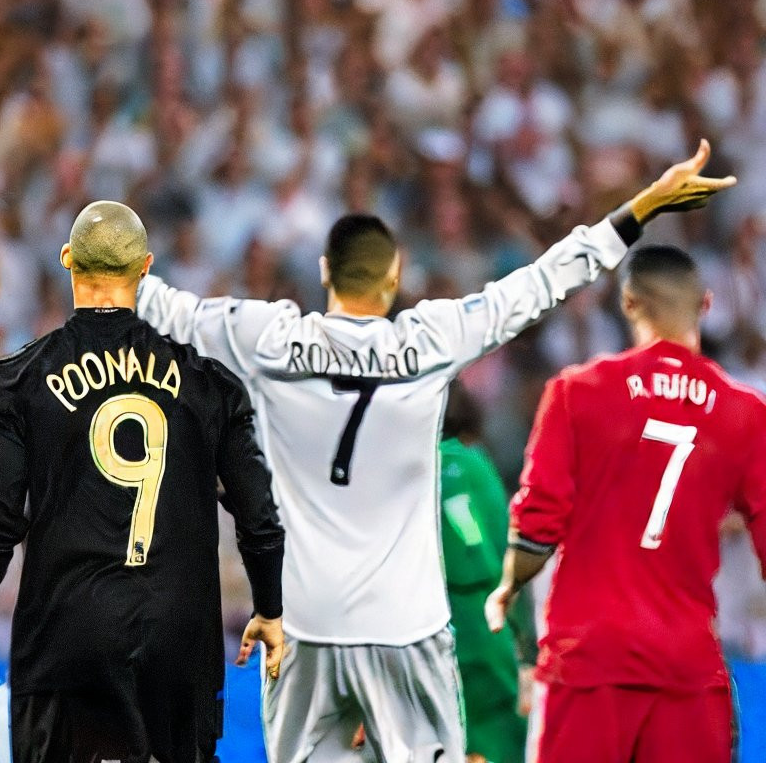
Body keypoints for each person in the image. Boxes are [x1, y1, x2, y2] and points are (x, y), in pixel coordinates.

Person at [136, 140, 733, 762]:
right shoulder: (431, 341)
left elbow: (170, 310)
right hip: (406, 627)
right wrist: (641, 208)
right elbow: (540, 284)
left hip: (305, 624)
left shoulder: (267, 339)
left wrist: (103, 264)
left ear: (325, 272)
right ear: (395, 279)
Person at [0, 201, 285, 763]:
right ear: (146, 268)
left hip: (64, 637)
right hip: (179, 642)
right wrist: (269, 609)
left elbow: (0, 525)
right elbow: (258, 515)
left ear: (67, 260)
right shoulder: (211, 385)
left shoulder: (20, 382)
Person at [485, 243, 766, 763]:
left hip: (587, 661)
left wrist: (507, 587)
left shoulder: (577, 392)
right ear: (705, 305)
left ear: (628, 302)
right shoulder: (744, 412)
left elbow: (538, 527)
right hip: (686, 667)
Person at [440, 381, 536, 763]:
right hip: (489, 629)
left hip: (431, 630)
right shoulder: (478, 464)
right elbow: (510, 555)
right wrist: (527, 648)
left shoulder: (404, 468)